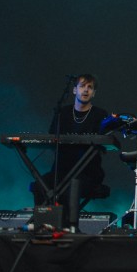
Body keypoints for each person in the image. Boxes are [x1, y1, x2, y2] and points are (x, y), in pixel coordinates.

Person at [33, 74, 112, 228]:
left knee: (72, 186)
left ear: (94, 93)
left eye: (90, 87)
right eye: (82, 86)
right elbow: (51, 138)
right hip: (61, 171)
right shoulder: (63, 113)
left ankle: (70, 229)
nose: (86, 90)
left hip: (88, 173)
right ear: (75, 90)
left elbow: (104, 142)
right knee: (39, 184)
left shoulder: (100, 115)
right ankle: (44, 226)